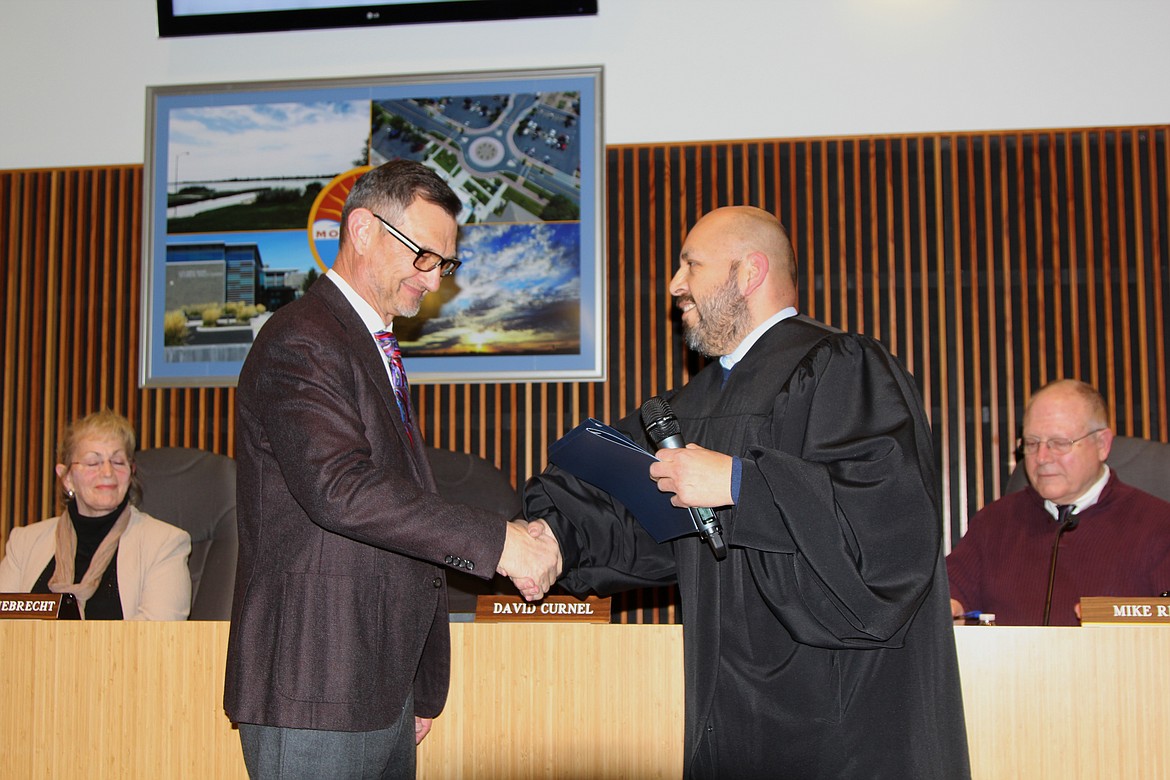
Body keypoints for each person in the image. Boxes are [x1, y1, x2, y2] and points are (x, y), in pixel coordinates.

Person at [523, 206, 970, 778]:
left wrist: (739, 484)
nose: (674, 285)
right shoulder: (690, 405)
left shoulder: (842, 368)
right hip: (726, 705)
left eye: (692, 265)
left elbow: (885, 527)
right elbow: (636, 519)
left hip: (836, 716)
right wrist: (552, 536)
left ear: (750, 272)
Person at [223, 159, 561, 780]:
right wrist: (500, 542)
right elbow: (341, 491)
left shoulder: (368, 345)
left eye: (445, 264)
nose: (433, 280)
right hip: (316, 684)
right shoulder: (302, 339)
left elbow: (399, 524)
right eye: (423, 256)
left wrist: (417, 684)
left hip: (379, 689)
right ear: (361, 231)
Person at [947, 379, 1170, 626]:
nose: (1041, 458)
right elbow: (949, 600)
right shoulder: (994, 523)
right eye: (1032, 443)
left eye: (1059, 443)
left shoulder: (1160, 524)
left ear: (1102, 445)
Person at [0, 409, 191, 620]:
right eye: (93, 462)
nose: (108, 472)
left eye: (118, 462)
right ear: (67, 478)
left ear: (131, 471)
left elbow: (156, 638)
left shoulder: (164, 543)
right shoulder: (24, 543)